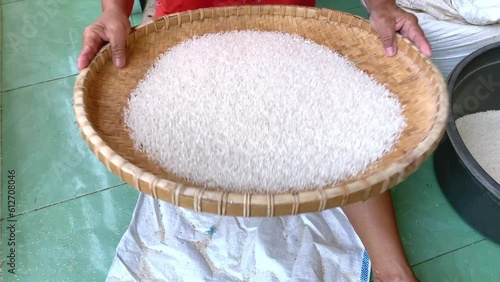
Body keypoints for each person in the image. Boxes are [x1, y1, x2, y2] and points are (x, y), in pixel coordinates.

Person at [78, 1, 430, 281]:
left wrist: (381, 4)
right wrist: (113, 11)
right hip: (185, 39)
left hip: (289, 32)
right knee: (188, 143)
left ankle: (391, 271)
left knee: (349, 130)